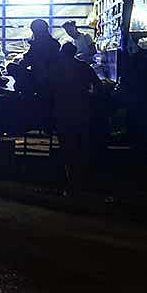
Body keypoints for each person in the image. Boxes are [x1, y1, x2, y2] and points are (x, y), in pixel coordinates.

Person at [52, 42, 102, 192]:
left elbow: (47, 85)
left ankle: (71, 179)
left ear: (62, 53)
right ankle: (83, 179)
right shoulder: (84, 67)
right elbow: (98, 85)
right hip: (82, 110)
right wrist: (91, 96)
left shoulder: (57, 68)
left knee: (67, 145)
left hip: (63, 111)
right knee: (82, 144)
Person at [16, 19, 61, 94]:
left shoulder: (36, 45)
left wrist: (21, 60)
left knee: (11, 67)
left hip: (37, 79)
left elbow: (26, 63)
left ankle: (28, 87)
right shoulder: (55, 43)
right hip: (54, 79)